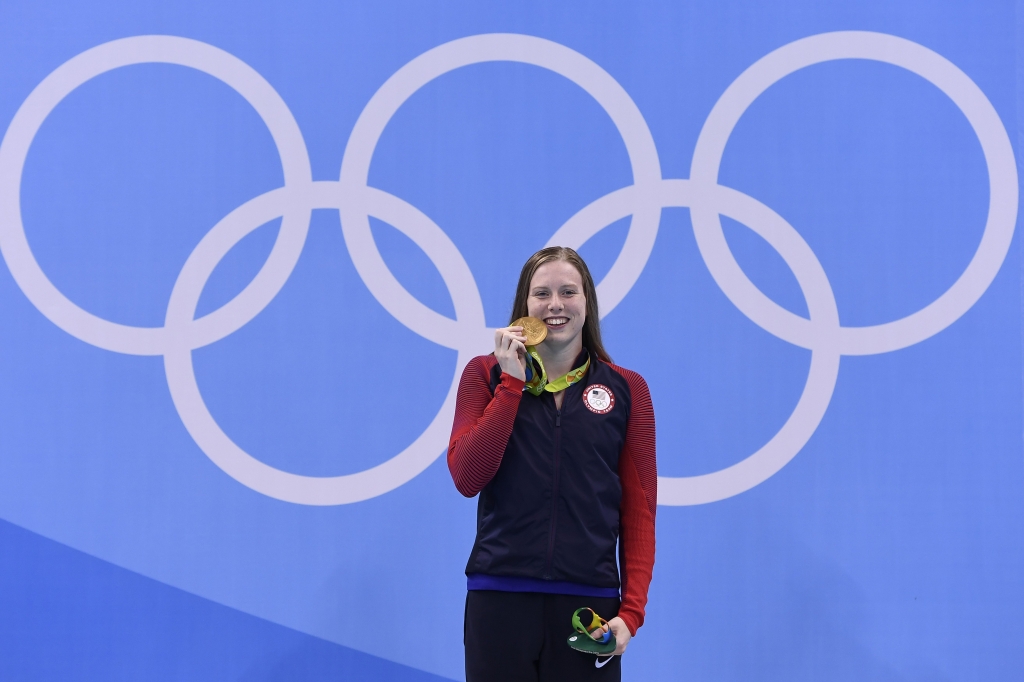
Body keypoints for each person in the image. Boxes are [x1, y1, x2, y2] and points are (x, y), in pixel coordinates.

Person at [448, 246, 657, 681]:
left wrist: (631, 613)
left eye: (568, 292)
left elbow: (640, 510)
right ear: (525, 305)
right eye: (541, 293)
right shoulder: (484, 376)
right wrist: (511, 384)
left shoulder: (628, 390)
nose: (555, 304)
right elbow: (468, 477)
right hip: (499, 597)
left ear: (587, 303)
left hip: (588, 606)